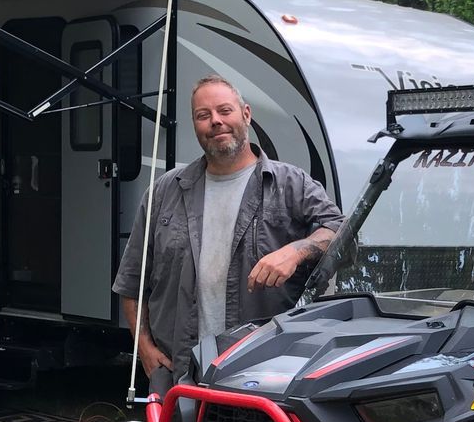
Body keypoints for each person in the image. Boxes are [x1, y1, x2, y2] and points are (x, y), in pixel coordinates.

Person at [115, 75, 342, 389]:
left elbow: (341, 233)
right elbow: (132, 280)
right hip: (178, 373)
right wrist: (144, 348)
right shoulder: (166, 191)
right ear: (195, 125)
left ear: (246, 114)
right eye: (203, 115)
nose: (216, 121)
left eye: (225, 111)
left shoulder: (291, 184)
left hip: (262, 372)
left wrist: (295, 251)